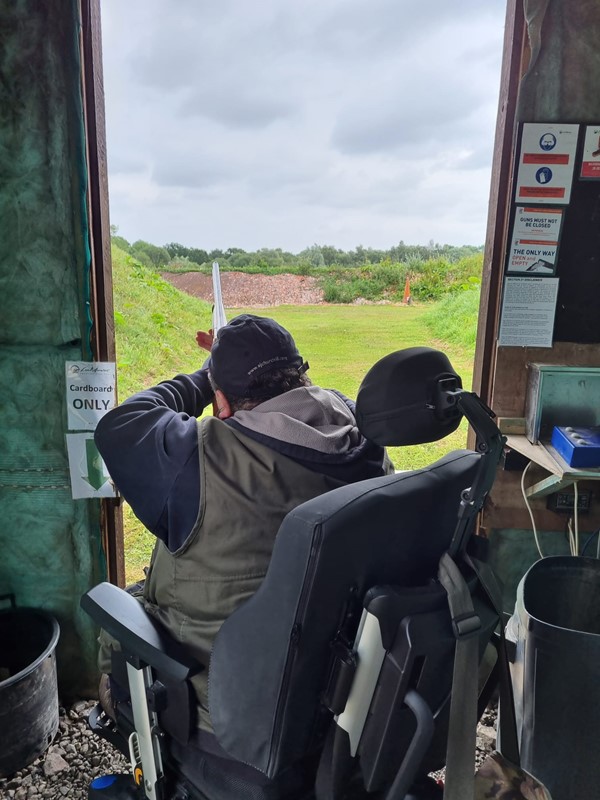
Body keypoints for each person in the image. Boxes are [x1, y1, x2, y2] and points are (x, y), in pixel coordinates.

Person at [94, 313, 393, 732]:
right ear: (300, 375)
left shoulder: (197, 461)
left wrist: (204, 377)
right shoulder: (364, 436)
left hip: (224, 715)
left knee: (119, 638)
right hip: (336, 692)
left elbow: (121, 423)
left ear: (223, 403)